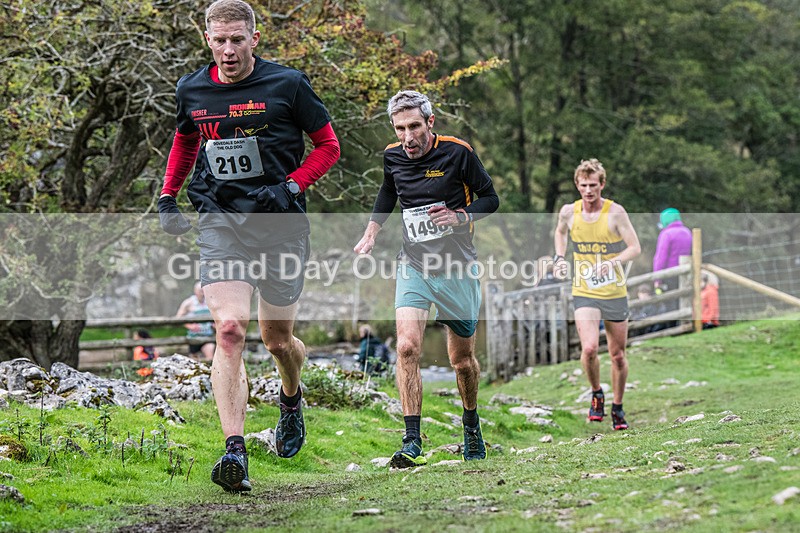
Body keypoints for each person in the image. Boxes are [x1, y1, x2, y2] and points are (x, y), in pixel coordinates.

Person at [157, 0, 340, 493]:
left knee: (278, 341)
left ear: (254, 38)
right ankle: (233, 450)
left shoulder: (288, 85)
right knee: (231, 329)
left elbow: (329, 146)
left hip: (280, 225)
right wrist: (168, 195)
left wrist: (292, 186)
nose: (229, 49)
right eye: (219, 40)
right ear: (207, 39)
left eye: (238, 39)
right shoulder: (192, 88)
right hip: (221, 222)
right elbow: (186, 140)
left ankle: (290, 397)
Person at [354, 90, 499, 467]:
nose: (407, 136)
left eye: (414, 126)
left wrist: (461, 216)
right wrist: (371, 231)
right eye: (400, 128)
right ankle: (411, 439)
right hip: (413, 265)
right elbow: (388, 192)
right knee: (406, 347)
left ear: (429, 122)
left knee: (462, 361)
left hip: (457, 268)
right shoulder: (392, 156)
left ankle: (470, 426)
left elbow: (490, 198)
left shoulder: (457, 153)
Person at [553, 159, 641, 431]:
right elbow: (559, 232)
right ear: (577, 185)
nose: (588, 190)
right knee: (589, 348)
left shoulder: (615, 213)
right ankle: (596, 394)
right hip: (584, 289)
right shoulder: (569, 212)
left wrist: (613, 262)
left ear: (602, 185)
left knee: (617, 355)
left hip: (614, 290)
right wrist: (559, 258)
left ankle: (618, 407)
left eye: (593, 185)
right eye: (583, 185)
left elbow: (635, 248)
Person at [653, 208, 692, 292]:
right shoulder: (687, 232)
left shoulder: (666, 234)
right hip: (685, 272)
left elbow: (660, 258)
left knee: (670, 302)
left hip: (670, 274)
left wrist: (657, 279)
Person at [176, 282, 216, 361]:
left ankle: (210, 371)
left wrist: (214, 324)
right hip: (194, 337)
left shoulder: (210, 302)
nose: (203, 293)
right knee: (194, 361)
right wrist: (189, 326)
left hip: (207, 336)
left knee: (210, 357)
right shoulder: (189, 303)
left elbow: (215, 315)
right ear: (195, 291)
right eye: (201, 291)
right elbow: (178, 317)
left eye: (204, 291)